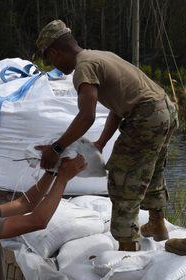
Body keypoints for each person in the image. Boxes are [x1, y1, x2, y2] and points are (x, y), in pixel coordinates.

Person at [35, 20, 179, 252]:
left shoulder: (83, 69)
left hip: (146, 117)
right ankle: (157, 224)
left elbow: (86, 116)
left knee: (123, 179)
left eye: (50, 58)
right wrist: (100, 143)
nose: (53, 64)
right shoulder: (99, 56)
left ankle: (127, 248)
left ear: (55, 51)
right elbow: (117, 106)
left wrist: (57, 149)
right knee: (152, 171)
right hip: (165, 110)